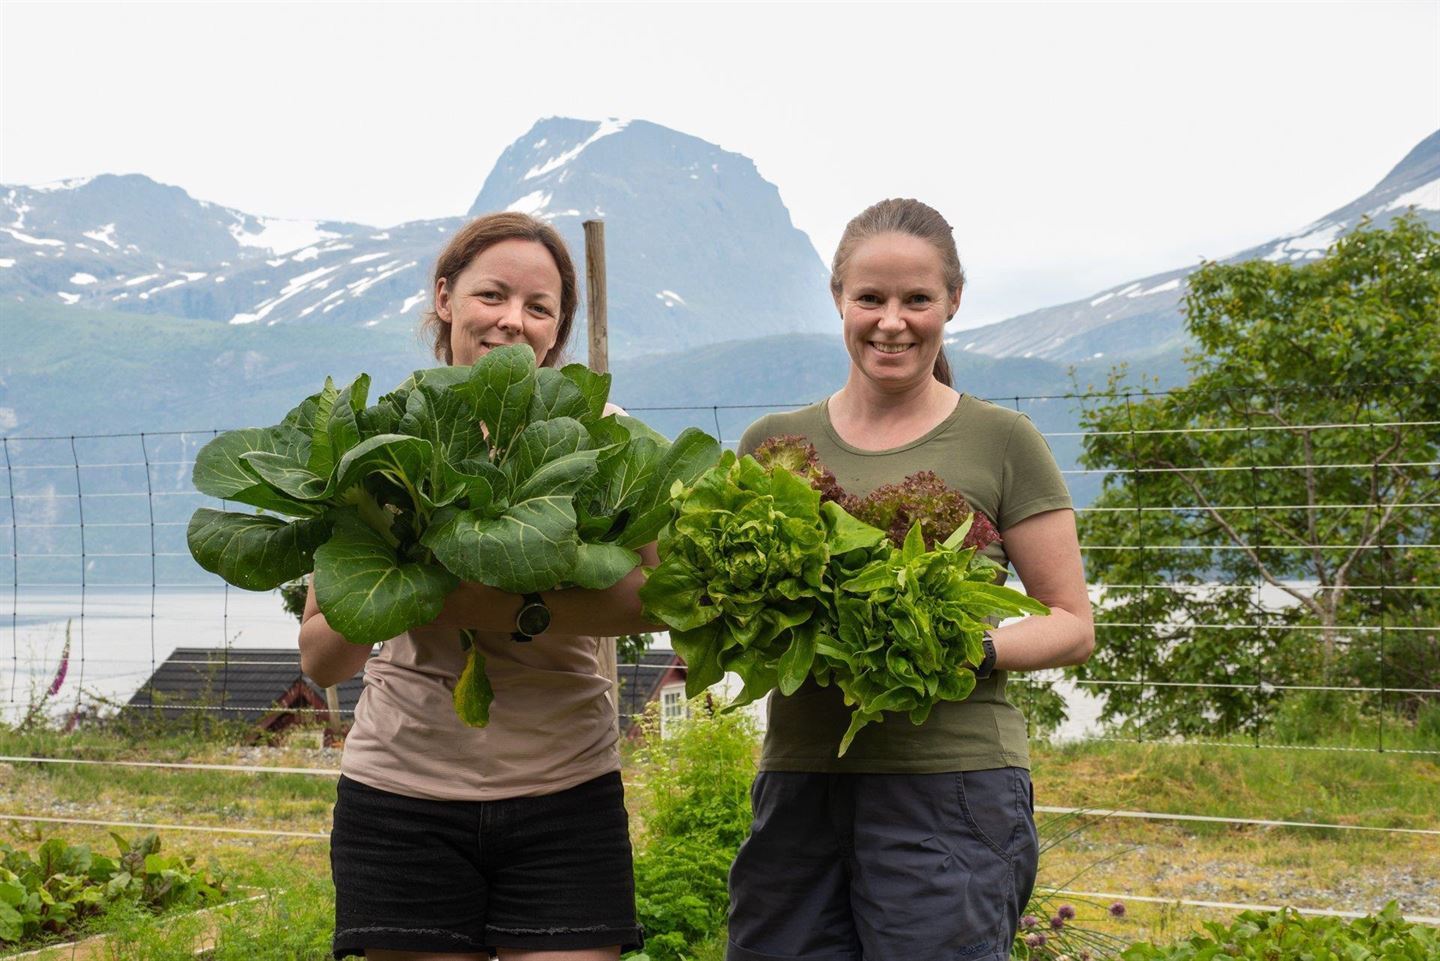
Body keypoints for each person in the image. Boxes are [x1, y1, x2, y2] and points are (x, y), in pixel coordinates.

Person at [725, 199, 1095, 961]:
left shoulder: (1002, 440)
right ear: (839, 299)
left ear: (951, 302)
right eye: (871, 298)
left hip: (951, 786)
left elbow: (1071, 622)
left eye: (916, 300)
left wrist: (964, 647)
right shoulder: (772, 444)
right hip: (802, 778)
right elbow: (730, 609)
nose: (892, 320)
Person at [299, 212, 652, 961]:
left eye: (539, 307)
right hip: (401, 792)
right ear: (445, 298)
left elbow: (648, 595)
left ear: (557, 329)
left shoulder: (603, 431)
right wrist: (390, 585)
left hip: (566, 790)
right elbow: (323, 659)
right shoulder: (382, 439)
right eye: (492, 294)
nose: (512, 321)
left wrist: (475, 597)